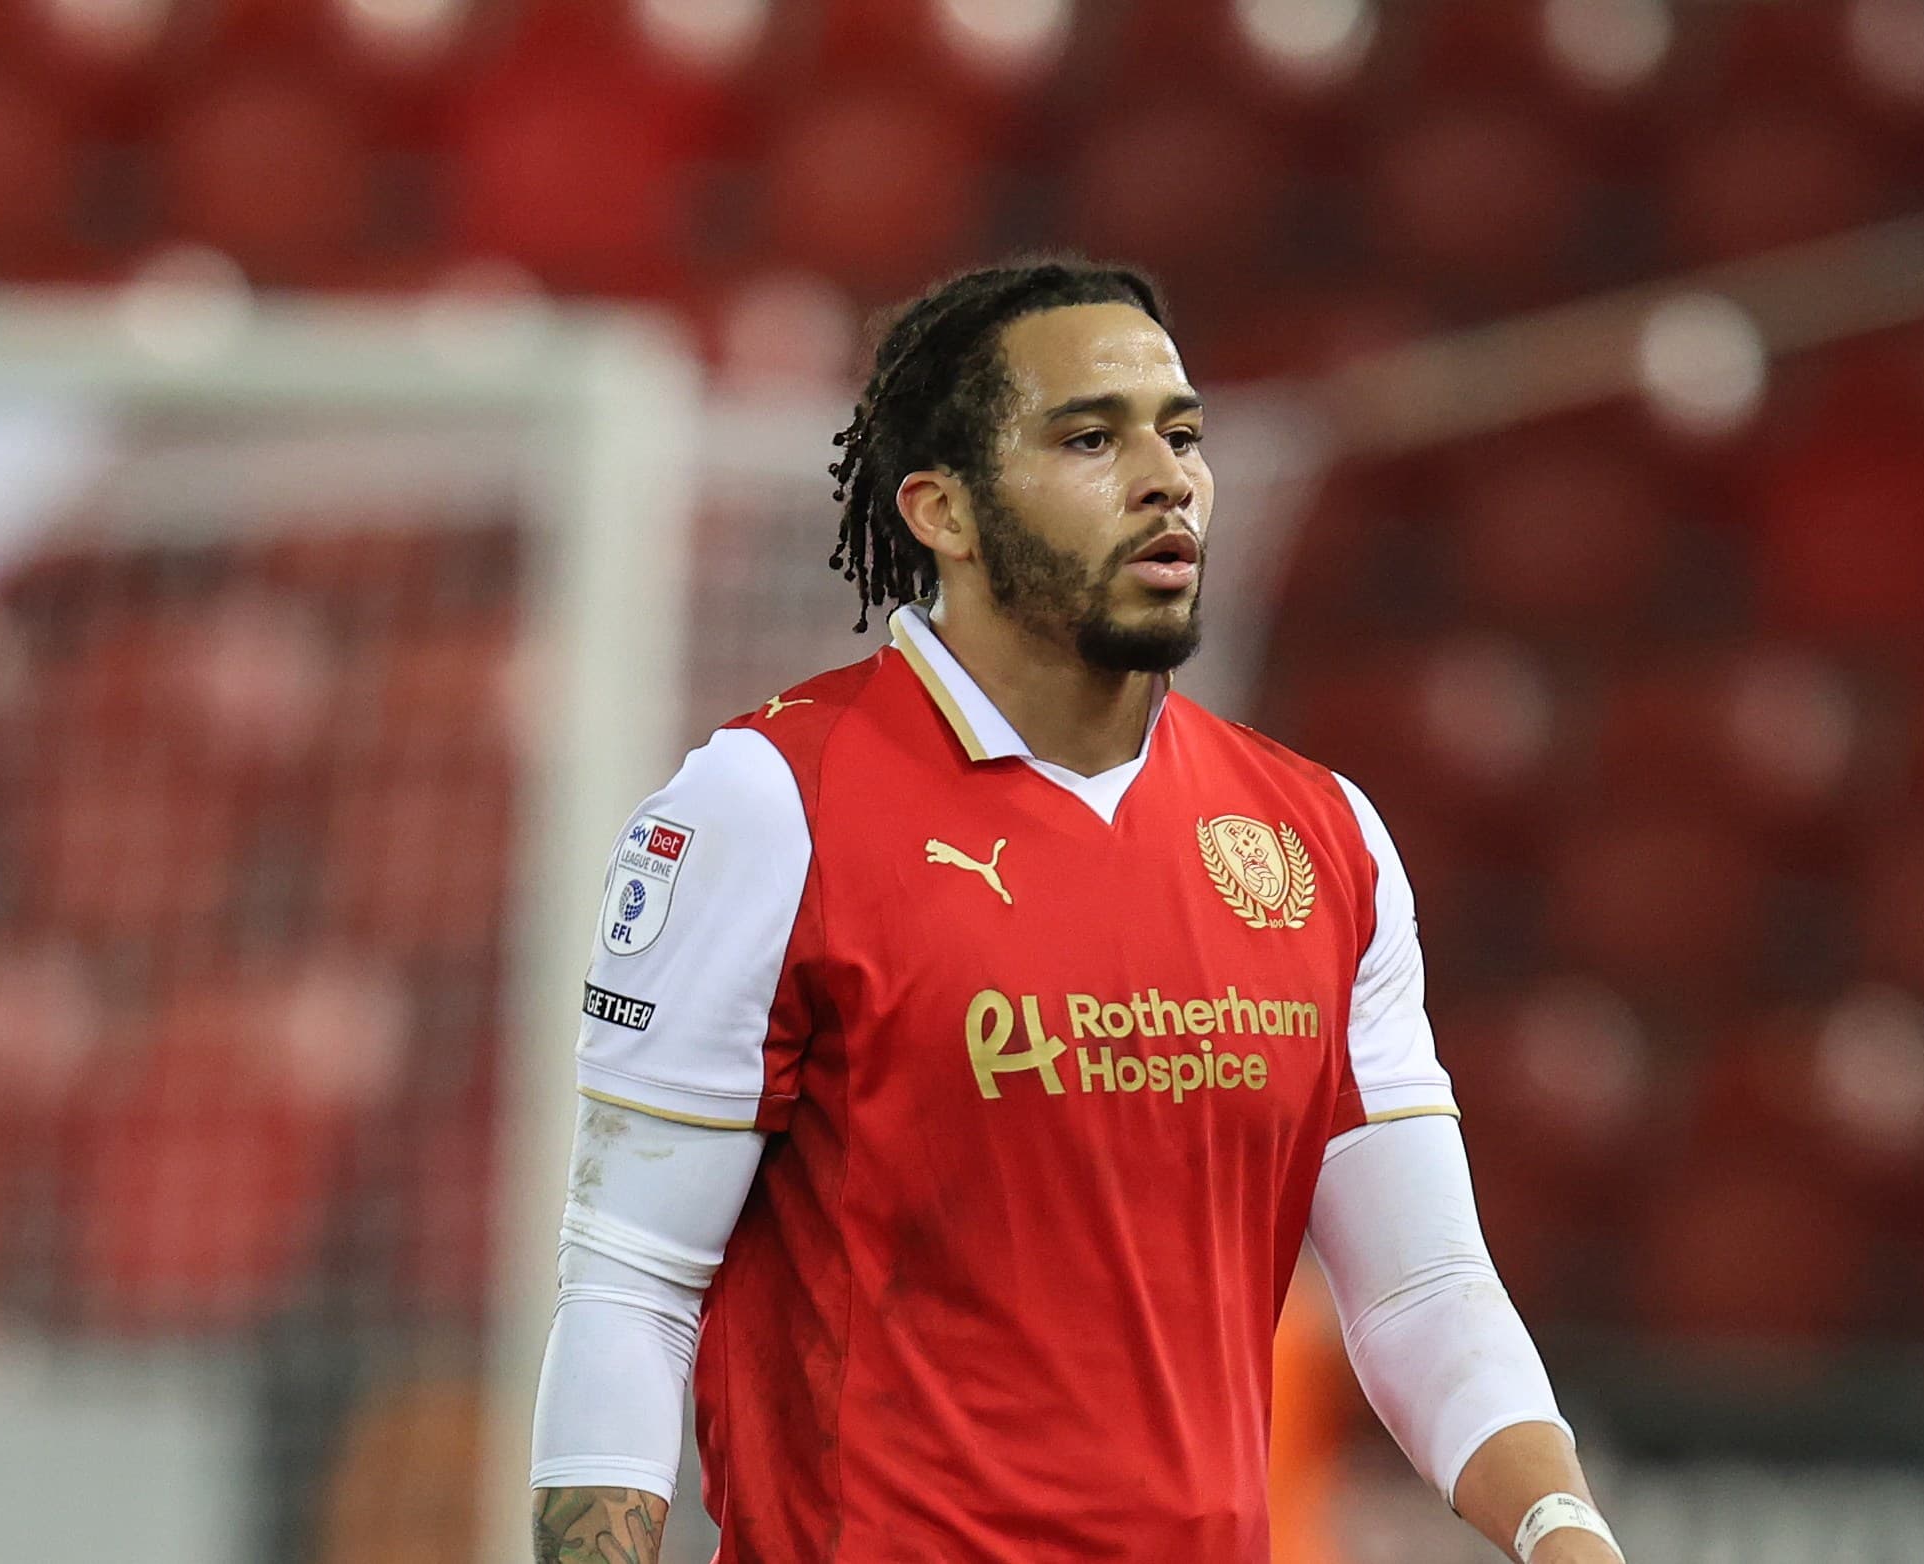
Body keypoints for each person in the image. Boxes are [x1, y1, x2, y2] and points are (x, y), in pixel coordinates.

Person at [529, 258, 1619, 1563]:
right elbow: (633, 1283)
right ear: (943, 509)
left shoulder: (1323, 838)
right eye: (1091, 438)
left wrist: (1563, 1532)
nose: (1167, 479)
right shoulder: (768, 808)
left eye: (1183, 434)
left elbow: (1420, 1290)